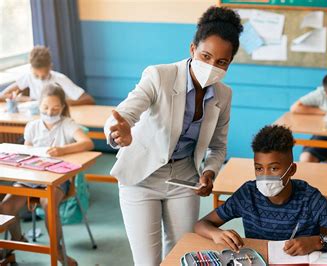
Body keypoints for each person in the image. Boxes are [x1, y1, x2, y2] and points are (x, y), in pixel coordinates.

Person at [103, 6, 243, 265]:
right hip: (141, 177)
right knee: (148, 261)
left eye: (221, 62)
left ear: (229, 63)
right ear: (192, 50)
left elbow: (218, 146)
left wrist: (209, 172)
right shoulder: (159, 76)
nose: (212, 66)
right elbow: (124, 114)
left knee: (182, 255)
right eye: (205, 56)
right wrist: (118, 132)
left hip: (185, 180)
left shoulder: (224, 95)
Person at [195, 125, 327, 255]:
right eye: (258, 168)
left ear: (291, 170)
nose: (264, 176)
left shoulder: (309, 198)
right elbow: (201, 224)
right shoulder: (248, 194)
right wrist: (216, 234)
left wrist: (317, 242)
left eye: (274, 168)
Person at [0, 83, 94, 265]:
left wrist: (62, 150)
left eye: (55, 108)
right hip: (32, 179)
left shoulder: (67, 124)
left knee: (47, 202)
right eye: (45, 107)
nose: (50, 112)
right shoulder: (33, 126)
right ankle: (18, 240)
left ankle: (57, 250)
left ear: (62, 107)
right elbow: (26, 152)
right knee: (5, 207)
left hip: (58, 180)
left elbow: (87, 143)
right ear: (39, 105)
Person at [0, 46, 95, 106]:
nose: (40, 79)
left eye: (44, 76)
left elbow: (89, 100)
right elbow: (2, 96)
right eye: (36, 76)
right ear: (31, 68)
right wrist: (23, 99)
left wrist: (62, 104)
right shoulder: (28, 77)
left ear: (50, 67)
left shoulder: (60, 79)